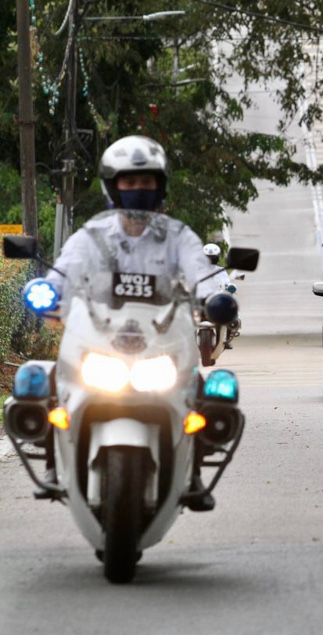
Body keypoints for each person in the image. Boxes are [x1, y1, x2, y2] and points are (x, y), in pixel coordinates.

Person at [41, 135, 219, 511]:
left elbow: (202, 273)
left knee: (200, 388)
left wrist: (215, 296)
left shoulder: (178, 236)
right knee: (52, 378)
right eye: (130, 182)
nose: (139, 189)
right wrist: (46, 291)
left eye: (146, 182)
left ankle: (194, 473)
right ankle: (52, 464)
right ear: (113, 186)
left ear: (160, 186)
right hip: (101, 338)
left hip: (161, 339)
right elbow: (64, 271)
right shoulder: (92, 236)